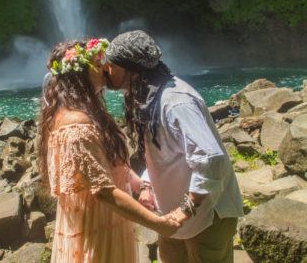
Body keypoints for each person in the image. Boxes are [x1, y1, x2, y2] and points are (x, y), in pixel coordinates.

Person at [104, 30, 244, 263]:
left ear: (131, 68)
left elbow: (211, 159)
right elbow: (162, 154)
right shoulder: (148, 95)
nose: (106, 70)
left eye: (111, 65)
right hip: (171, 217)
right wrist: (148, 185)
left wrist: (185, 209)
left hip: (205, 215)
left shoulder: (176, 101)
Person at [37, 38, 180, 263]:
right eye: (97, 62)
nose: (105, 66)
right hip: (94, 229)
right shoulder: (76, 123)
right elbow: (102, 191)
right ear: (80, 73)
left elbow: (114, 166)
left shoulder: (90, 111)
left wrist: (141, 186)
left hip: (110, 221)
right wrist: (159, 224)